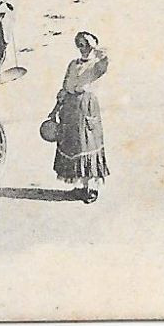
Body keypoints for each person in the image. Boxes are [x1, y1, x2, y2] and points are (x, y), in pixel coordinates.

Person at [52, 31, 110, 203]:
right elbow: (65, 85)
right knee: (73, 144)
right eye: (79, 44)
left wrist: (95, 47)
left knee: (88, 144)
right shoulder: (73, 64)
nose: (82, 48)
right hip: (70, 106)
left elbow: (105, 60)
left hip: (86, 106)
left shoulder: (97, 65)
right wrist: (55, 108)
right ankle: (79, 187)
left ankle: (91, 189)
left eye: (85, 44)